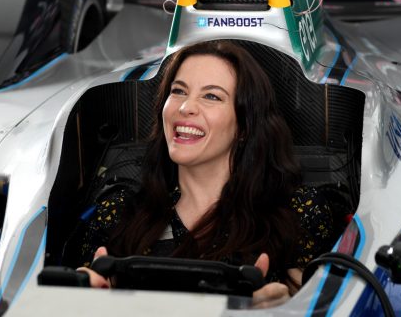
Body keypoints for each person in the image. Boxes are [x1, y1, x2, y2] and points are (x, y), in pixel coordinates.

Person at [75, 40, 335, 305]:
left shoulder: (297, 212)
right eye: (178, 91)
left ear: (244, 126)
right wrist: (80, 298)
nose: (186, 107)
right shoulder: (117, 214)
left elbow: (321, 305)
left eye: (211, 96)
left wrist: (281, 307)